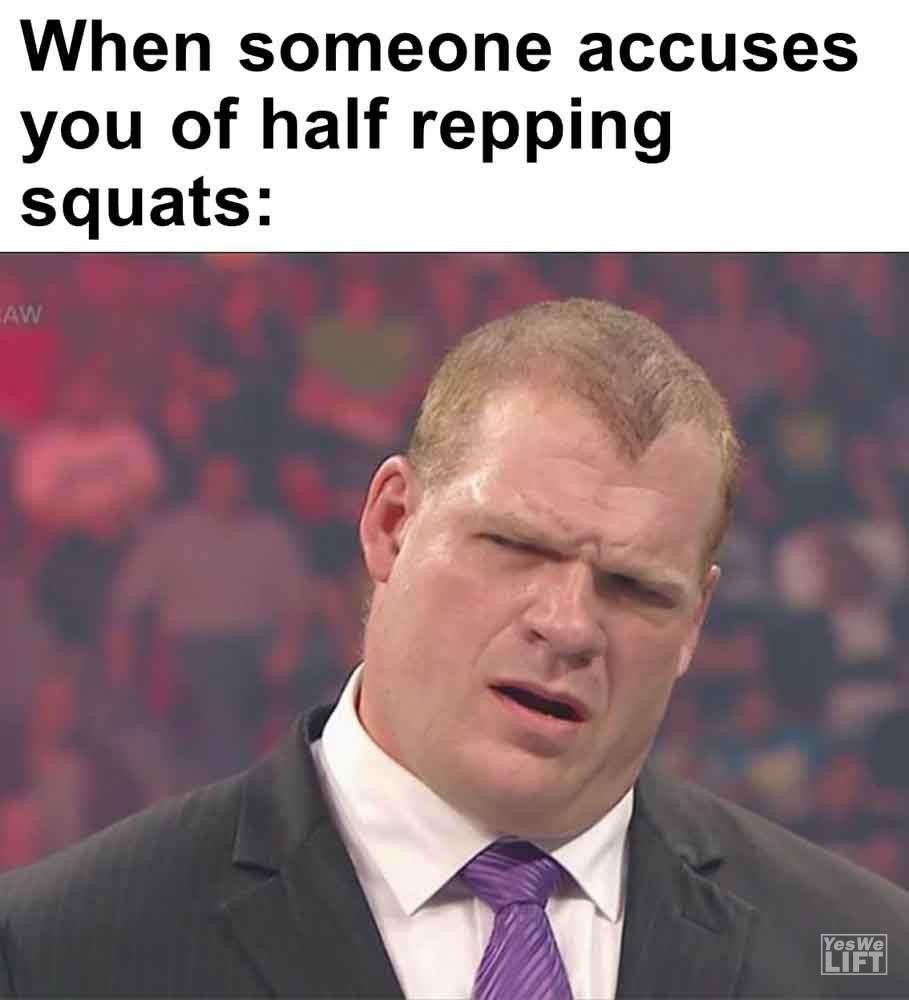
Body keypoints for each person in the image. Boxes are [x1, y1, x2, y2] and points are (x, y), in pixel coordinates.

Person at [1, 298, 908, 999]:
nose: (568, 625)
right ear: (392, 524)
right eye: (514, 546)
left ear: (694, 623)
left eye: (635, 588)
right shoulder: (59, 950)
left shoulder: (863, 955)